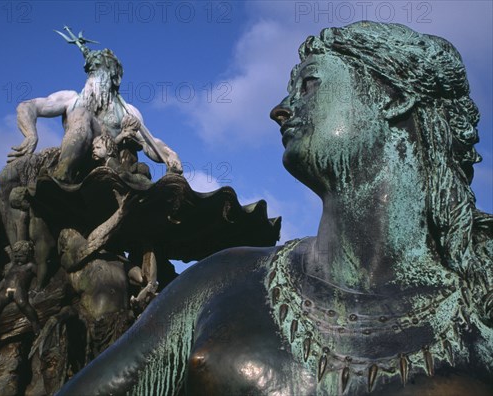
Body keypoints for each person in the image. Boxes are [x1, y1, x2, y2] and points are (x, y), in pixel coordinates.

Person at [58, 22, 492, 395]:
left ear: (392, 97)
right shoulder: (220, 280)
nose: (280, 109)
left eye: (309, 84)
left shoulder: (482, 298)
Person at [7, 47, 181, 184]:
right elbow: (27, 106)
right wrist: (31, 135)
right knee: (81, 113)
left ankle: (63, 173)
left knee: (83, 113)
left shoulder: (128, 111)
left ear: (114, 77)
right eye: (90, 71)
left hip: (112, 167)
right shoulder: (71, 99)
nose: (92, 77)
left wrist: (169, 154)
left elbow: (149, 143)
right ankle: (63, 172)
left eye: (98, 70)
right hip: (78, 165)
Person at [0, 240, 40, 341]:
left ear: (28, 254)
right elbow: (5, 278)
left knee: (22, 303)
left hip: (18, 289)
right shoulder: (14, 265)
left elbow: (40, 274)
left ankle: (35, 323)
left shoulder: (30, 265)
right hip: (6, 289)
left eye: (20, 256)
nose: (18, 259)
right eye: (16, 256)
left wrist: (38, 285)